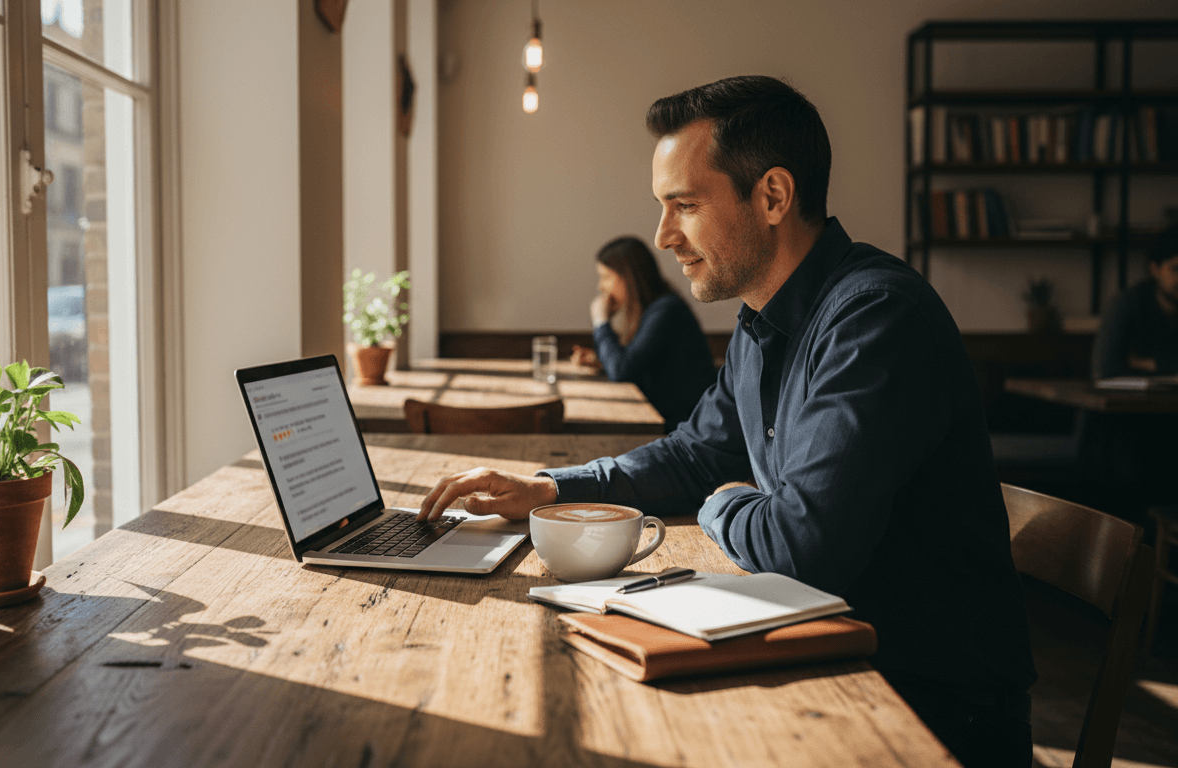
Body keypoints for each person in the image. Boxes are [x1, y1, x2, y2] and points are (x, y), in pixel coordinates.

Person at [418, 76, 1036, 768]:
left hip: (926, 707)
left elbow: (800, 547)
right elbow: (694, 454)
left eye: (684, 205)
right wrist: (551, 489)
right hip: (826, 657)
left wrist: (725, 505)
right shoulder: (759, 321)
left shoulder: (876, 319)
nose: (663, 236)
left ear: (772, 196)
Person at [571, 236, 718, 430]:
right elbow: (635, 366)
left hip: (686, 427)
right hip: (668, 421)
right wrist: (600, 361)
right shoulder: (650, 310)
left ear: (628, 277)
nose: (601, 286)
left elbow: (622, 371)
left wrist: (601, 321)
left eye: (606, 277)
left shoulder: (667, 310)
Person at [1092, 223, 1178, 379]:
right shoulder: (1127, 304)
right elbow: (1104, 369)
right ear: (1155, 270)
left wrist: (1150, 364)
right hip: (1134, 394)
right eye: (1175, 269)